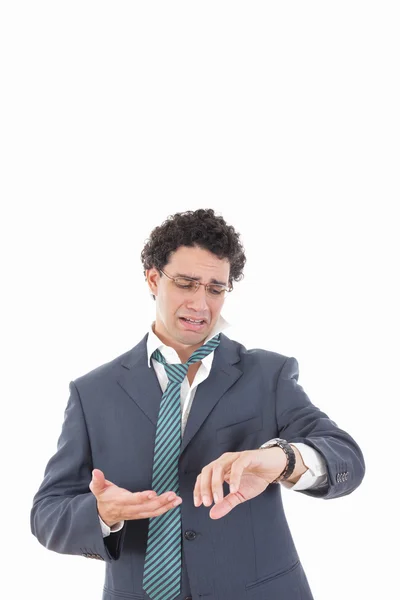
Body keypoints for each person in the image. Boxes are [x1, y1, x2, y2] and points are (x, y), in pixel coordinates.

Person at [31, 208, 365, 600]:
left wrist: (284, 460)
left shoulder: (266, 374)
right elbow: (47, 512)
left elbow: (346, 459)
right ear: (154, 279)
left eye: (215, 288)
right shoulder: (93, 392)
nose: (201, 304)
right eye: (187, 283)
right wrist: (103, 513)